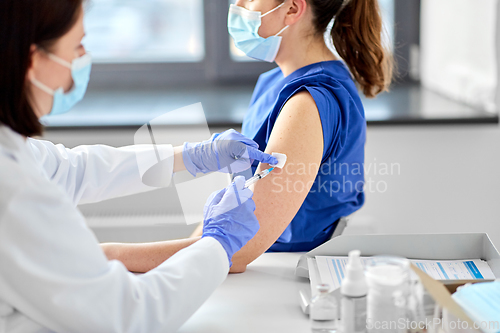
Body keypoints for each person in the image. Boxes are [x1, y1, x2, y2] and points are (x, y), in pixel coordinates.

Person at [0, 0, 278, 332]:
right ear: (33, 61)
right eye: (76, 46)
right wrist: (218, 242)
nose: (82, 59)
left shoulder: (13, 152)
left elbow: (71, 170)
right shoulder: (12, 193)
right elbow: (131, 316)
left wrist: (190, 157)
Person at [102, 0, 394, 274]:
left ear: (292, 9)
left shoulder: (307, 103)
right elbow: (225, 223)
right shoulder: (275, 81)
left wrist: (109, 256)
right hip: (254, 263)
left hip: (275, 272)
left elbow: (237, 250)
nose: (236, 7)